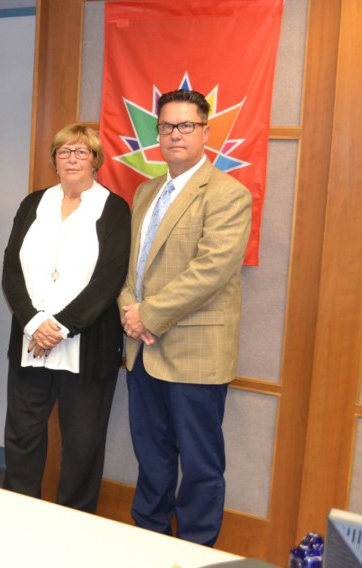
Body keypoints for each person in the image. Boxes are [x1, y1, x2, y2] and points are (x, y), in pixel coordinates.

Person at [119, 89, 252, 546]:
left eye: (186, 126)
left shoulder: (228, 193)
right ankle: (149, 543)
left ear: (205, 132)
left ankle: (195, 550)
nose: (175, 135)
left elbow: (211, 271)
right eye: (167, 126)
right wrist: (127, 310)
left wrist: (147, 315)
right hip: (142, 350)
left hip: (194, 351)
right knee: (152, 458)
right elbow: (131, 265)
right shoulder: (145, 190)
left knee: (199, 464)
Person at [1, 124, 130, 512]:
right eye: (63, 152)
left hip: (87, 345)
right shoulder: (32, 203)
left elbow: (110, 276)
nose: (72, 159)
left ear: (95, 160)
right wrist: (33, 322)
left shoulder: (114, 208)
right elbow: (11, 269)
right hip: (30, 340)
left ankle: (75, 523)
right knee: (23, 437)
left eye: (81, 152)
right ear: (54, 160)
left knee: (82, 444)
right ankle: (19, 514)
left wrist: (58, 326)